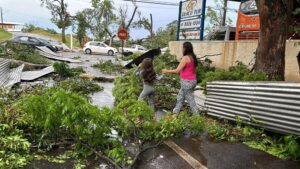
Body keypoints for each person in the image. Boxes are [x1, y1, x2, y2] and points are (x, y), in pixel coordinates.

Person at [162, 42, 199, 115]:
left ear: (185, 49)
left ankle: (198, 118)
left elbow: (177, 70)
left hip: (187, 82)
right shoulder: (192, 57)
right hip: (192, 81)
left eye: (182, 48)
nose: (181, 49)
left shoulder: (185, 58)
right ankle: (175, 114)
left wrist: (166, 71)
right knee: (180, 97)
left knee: (191, 101)